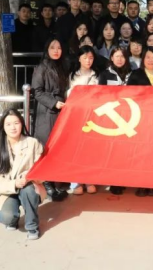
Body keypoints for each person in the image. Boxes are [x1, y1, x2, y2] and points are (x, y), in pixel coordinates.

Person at [0, 108, 46, 240]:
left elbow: (42, 170)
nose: (13, 127)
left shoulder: (33, 143)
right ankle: (13, 219)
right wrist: (13, 184)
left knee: (28, 191)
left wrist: (28, 178)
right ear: (3, 127)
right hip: (7, 191)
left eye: (16, 123)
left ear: (22, 124)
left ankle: (32, 226)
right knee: (7, 217)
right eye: (8, 124)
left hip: (28, 186)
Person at [31, 36, 69, 202]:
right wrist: (54, 103)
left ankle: (54, 182)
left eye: (59, 48)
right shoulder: (41, 68)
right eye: (53, 47)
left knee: (56, 147)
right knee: (45, 146)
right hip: (46, 112)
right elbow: (37, 91)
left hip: (59, 110)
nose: (56, 51)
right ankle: (47, 184)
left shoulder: (61, 66)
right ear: (47, 49)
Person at [127, 46, 153, 197]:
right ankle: (140, 184)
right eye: (148, 57)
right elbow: (129, 95)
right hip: (139, 119)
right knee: (140, 152)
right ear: (143, 59)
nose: (151, 60)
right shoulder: (135, 75)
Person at [98, 47, 132, 195]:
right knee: (113, 150)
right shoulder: (105, 74)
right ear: (111, 58)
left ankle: (125, 179)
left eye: (122, 56)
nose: (119, 59)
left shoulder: (132, 74)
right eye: (116, 56)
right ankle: (114, 181)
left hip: (129, 116)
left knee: (126, 150)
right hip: (112, 117)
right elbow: (100, 95)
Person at [67, 46, 100, 195]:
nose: (88, 61)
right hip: (76, 115)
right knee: (75, 148)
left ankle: (89, 180)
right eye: (85, 57)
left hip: (92, 115)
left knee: (90, 148)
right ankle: (75, 181)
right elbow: (69, 94)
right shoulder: (72, 75)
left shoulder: (96, 75)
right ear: (79, 58)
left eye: (91, 58)